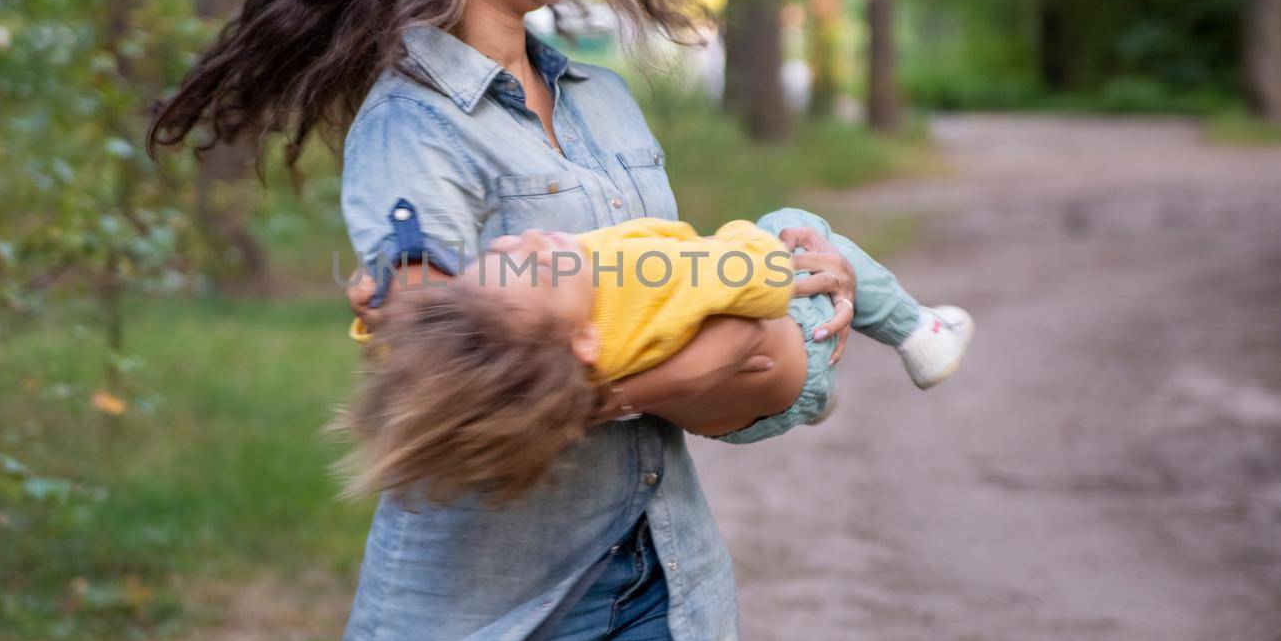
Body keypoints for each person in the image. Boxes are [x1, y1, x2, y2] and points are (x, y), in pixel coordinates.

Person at [149, 0, 866, 641]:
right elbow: (452, 386)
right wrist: (703, 347)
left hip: (656, 570)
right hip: (496, 595)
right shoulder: (411, 124)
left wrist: (780, 293)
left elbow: (743, 360)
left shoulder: (608, 105)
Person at [339, 204, 974, 504]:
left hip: (748, 411)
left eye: (501, 252)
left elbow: (459, 344)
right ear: (581, 340)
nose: (530, 239)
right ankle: (919, 335)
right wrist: (759, 244)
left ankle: (823, 400)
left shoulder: (539, 359)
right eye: (538, 265)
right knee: (796, 220)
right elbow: (755, 284)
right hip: (793, 353)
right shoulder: (641, 278)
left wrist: (385, 310)